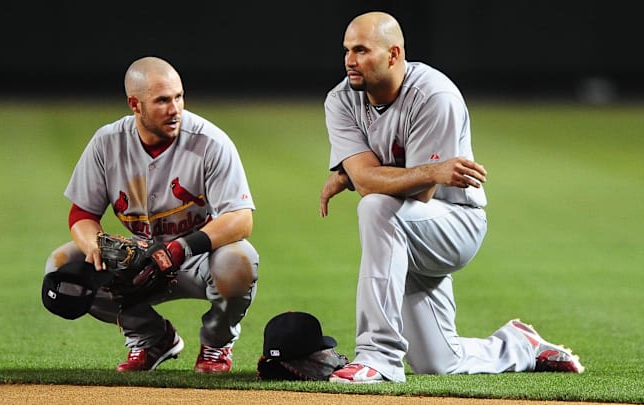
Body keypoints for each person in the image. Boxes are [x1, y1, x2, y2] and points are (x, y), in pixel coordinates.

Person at [319, 11, 584, 383]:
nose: (349, 60)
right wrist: (367, 174)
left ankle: (379, 354)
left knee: (377, 206)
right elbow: (366, 178)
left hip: (454, 223)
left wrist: (364, 177)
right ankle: (519, 345)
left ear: (393, 54)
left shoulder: (433, 94)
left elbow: (421, 192)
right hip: (406, 230)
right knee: (438, 362)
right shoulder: (341, 100)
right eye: (347, 50)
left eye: (361, 50)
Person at [44, 56, 259, 374]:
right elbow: (82, 214)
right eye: (162, 100)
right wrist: (93, 246)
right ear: (135, 104)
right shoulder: (108, 143)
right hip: (138, 256)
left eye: (178, 97)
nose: (175, 109)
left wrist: (180, 248)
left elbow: (241, 219)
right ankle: (152, 339)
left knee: (239, 260)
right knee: (64, 265)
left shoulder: (210, 143)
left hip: (200, 255)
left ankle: (216, 344)